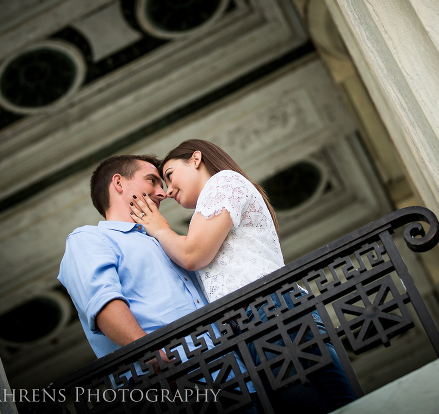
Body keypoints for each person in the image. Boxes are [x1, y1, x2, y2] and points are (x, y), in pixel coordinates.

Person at [129, 139, 357, 413]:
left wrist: (159, 228)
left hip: (270, 310)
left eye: (169, 175)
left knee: (330, 403)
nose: (167, 190)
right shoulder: (211, 203)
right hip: (253, 320)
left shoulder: (223, 182)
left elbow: (192, 255)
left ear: (196, 159)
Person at [58, 154, 209, 370]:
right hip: (174, 383)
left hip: (236, 366)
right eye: (152, 180)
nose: (162, 192)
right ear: (118, 182)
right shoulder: (88, 239)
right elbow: (104, 302)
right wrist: (151, 354)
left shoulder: (165, 240)